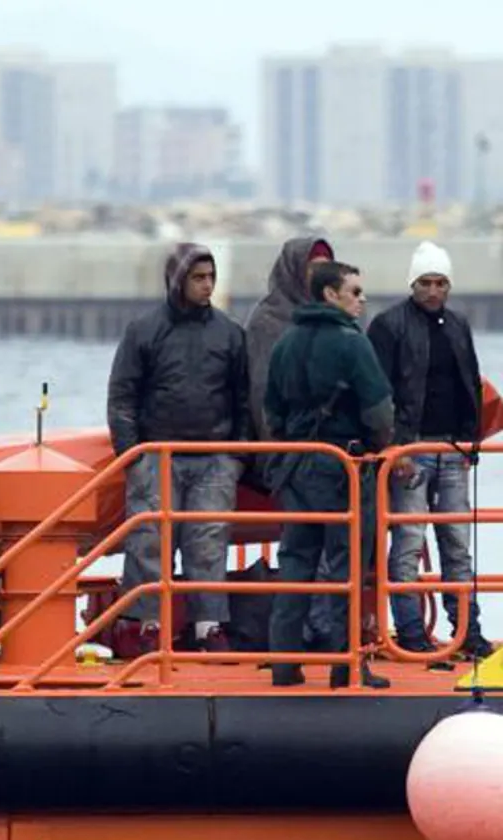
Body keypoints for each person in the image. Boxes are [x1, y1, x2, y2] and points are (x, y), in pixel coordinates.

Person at [107, 242, 250, 657]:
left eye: (211, 278)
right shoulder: (144, 331)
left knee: (209, 540)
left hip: (215, 457)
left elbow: (243, 399)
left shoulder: (229, 332)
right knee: (149, 540)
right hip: (156, 454)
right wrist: (132, 456)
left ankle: (208, 627)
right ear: (177, 280)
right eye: (198, 278)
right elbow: (122, 397)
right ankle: (147, 626)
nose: (206, 286)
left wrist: (235, 457)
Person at [263, 261, 392, 689]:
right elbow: (379, 412)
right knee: (346, 565)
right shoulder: (352, 344)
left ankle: (284, 664)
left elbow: (271, 411)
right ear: (329, 295)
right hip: (343, 467)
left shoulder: (284, 343)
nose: (362, 299)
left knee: (295, 561)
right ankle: (344, 665)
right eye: (354, 291)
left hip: (296, 464)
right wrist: (377, 448)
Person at [367, 241, 494, 660]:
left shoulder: (458, 325)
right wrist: (394, 447)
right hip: (410, 448)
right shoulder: (388, 326)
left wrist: (470, 440)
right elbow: (379, 391)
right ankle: (410, 632)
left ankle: (466, 631)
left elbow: (470, 381)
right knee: (408, 541)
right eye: (425, 282)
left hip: (452, 447)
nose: (433, 290)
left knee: (457, 542)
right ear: (412, 283)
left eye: (441, 282)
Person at [244, 236, 336, 649]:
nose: (318, 273)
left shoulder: (335, 318)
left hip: (329, 456)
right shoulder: (268, 321)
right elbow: (263, 393)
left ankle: (324, 630)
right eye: (312, 265)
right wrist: (276, 454)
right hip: (290, 458)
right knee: (301, 549)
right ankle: (296, 639)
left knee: (330, 546)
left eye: (325, 266)